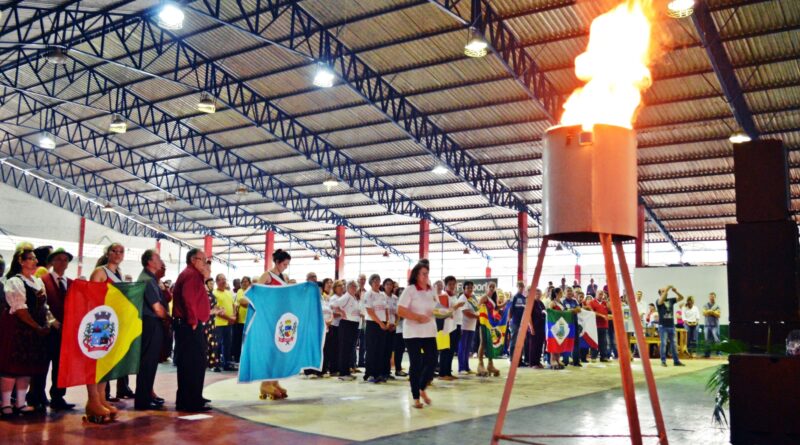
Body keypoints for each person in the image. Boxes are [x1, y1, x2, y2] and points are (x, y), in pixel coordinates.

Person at [0, 243, 54, 418]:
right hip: (19, 329)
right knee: (11, 368)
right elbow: (21, 310)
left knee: (26, 368)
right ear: (21, 261)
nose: (35, 261)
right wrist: (37, 326)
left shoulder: (37, 281)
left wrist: (47, 323)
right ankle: (6, 404)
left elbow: (44, 307)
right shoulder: (14, 281)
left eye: (35, 259)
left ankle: (21, 403)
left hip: (34, 329)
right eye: (30, 259)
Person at [29, 248, 74, 411]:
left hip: (65, 332)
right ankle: (36, 396)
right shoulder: (42, 280)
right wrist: (53, 321)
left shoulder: (71, 283)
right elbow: (42, 304)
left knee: (61, 366)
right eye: (59, 259)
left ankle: (58, 396)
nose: (62, 262)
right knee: (42, 364)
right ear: (52, 262)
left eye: (65, 260)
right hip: (49, 330)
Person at [172, 248, 212, 412]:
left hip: (189, 325)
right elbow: (189, 300)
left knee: (194, 363)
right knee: (193, 363)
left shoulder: (193, 275)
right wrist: (193, 320)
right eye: (203, 259)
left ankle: (193, 396)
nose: (205, 263)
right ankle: (190, 401)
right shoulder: (191, 275)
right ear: (194, 260)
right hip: (189, 325)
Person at [91, 243, 128, 417]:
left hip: (113, 322)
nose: (118, 254)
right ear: (108, 253)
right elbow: (91, 295)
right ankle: (93, 400)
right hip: (100, 322)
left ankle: (101, 397)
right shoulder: (100, 272)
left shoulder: (119, 274)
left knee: (105, 363)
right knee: (95, 363)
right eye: (114, 251)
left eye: (121, 251)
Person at [255, 249, 295, 399]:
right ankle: (266, 382)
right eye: (284, 264)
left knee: (280, 351)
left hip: (282, 318)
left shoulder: (283, 277)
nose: (286, 267)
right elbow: (257, 294)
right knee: (271, 351)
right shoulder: (267, 275)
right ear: (277, 262)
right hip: (270, 318)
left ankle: (274, 381)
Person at [397, 260, 437, 409]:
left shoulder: (431, 290)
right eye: (424, 274)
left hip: (429, 331)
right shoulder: (410, 290)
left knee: (432, 361)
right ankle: (415, 397)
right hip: (412, 332)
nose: (426, 276)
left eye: (427, 274)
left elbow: (436, 307)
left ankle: (422, 388)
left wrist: (447, 312)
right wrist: (417, 317)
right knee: (416, 363)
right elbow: (400, 310)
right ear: (416, 275)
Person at [134, 249, 168, 410]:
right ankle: (143, 399)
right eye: (158, 258)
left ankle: (146, 395)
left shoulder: (151, 278)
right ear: (150, 262)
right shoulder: (147, 280)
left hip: (151, 323)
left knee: (150, 362)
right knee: (148, 362)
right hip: (151, 323)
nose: (161, 261)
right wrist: (168, 317)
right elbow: (157, 309)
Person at [331, 280, 361, 381]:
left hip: (354, 324)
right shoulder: (346, 296)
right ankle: (343, 373)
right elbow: (333, 305)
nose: (354, 288)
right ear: (348, 287)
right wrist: (340, 312)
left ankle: (347, 371)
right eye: (352, 286)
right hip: (346, 324)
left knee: (350, 349)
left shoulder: (354, 297)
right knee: (344, 349)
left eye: (355, 287)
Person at [436, 276, 463, 380]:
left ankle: (448, 372)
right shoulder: (443, 296)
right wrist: (456, 307)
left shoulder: (454, 296)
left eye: (453, 284)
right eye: (450, 284)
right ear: (445, 285)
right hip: (445, 328)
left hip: (454, 326)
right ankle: (442, 374)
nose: (452, 286)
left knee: (451, 351)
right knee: (445, 350)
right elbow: (441, 313)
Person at [363, 274, 389, 383]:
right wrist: (380, 323)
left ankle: (379, 373)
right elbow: (370, 311)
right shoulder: (368, 294)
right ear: (371, 283)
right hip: (373, 324)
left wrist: (386, 322)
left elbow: (386, 309)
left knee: (380, 350)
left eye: (378, 281)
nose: (377, 283)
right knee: (371, 350)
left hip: (382, 324)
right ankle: (370, 374)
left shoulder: (383, 294)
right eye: (375, 281)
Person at [476, 282, 503, 377]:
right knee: (483, 342)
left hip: (491, 324)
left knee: (490, 343)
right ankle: (480, 364)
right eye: (490, 286)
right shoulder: (484, 297)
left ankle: (490, 364)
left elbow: (496, 308)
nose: (491, 288)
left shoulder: (494, 299)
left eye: (493, 287)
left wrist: (505, 304)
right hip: (483, 323)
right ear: (486, 288)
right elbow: (477, 307)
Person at [212, 274, 236, 372]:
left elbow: (234, 305)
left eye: (224, 279)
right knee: (216, 345)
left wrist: (234, 316)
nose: (223, 281)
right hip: (218, 323)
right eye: (221, 279)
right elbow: (216, 309)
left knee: (228, 344)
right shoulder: (214, 293)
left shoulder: (229, 292)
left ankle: (227, 363)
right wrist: (229, 318)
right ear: (217, 282)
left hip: (228, 324)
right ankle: (216, 364)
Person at [657, 285, 685, 367]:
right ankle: (663, 361)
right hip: (663, 326)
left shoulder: (671, 300)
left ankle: (676, 361)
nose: (665, 292)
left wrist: (675, 291)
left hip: (671, 326)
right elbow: (661, 301)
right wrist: (668, 288)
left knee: (674, 344)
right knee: (664, 344)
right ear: (660, 294)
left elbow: (682, 297)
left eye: (665, 291)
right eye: (662, 291)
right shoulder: (658, 301)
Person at [457, 281, 478, 375]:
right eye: (468, 288)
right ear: (464, 289)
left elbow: (477, 309)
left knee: (468, 348)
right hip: (463, 326)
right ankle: (461, 368)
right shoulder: (462, 298)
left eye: (471, 287)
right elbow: (466, 313)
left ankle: (466, 367)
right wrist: (478, 317)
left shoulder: (473, 298)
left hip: (471, 327)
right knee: (462, 348)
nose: (470, 289)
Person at [381, 278, 400, 379]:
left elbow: (398, 314)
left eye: (391, 284)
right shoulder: (381, 296)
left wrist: (395, 324)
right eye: (387, 284)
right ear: (384, 286)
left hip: (392, 327)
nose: (389, 286)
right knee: (382, 350)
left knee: (389, 351)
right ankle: (381, 372)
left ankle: (387, 372)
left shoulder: (395, 298)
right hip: (384, 326)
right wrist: (387, 324)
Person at [586, 290, 610, 362]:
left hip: (604, 325)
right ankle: (593, 356)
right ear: (596, 294)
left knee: (604, 342)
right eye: (599, 294)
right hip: (595, 325)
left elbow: (610, 309)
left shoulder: (605, 303)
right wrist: (602, 315)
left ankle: (603, 356)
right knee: (595, 341)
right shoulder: (591, 302)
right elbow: (592, 312)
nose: (601, 296)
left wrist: (607, 300)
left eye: (602, 294)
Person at [232, 276, 251, 364]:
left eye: (246, 281)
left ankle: (246, 358)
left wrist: (248, 302)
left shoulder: (251, 291)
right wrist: (250, 302)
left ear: (249, 283)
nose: (243, 283)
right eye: (242, 281)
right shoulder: (240, 291)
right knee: (238, 340)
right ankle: (237, 358)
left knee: (248, 341)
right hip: (240, 321)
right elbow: (242, 302)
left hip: (250, 320)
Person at [508, 281, 528, 366]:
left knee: (521, 342)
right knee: (514, 340)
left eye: (522, 287)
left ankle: (520, 359)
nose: (521, 288)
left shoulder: (524, 298)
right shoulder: (514, 297)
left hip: (522, 322)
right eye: (519, 287)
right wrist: (509, 320)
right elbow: (510, 309)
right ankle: (513, 359)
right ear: (517, 287)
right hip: (515, 322)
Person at [527, 288, 546, 368]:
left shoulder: (541, 303)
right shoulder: (531, 303)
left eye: (539, 294)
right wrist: (531, 327)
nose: (538, 295)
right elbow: (528, 316)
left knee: (539, 345)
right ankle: (532, 363)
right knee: (533, 346)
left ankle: (538, 362)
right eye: (536, 294)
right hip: (534, 326)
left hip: (541, 327)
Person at [703, 292, 721, 358]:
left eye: (713, 297)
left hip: (715, 326)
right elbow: (704, 313)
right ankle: (707, 354)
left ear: (715, 297)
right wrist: (713, 312)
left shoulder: (717, 306)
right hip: (707, 326)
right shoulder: (705, 305)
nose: (711, 298)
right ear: (709, 297)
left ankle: (719, 353)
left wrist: (710, 312)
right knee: (707, 340)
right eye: (710, 297)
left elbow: (718, 315)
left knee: (717, 340)